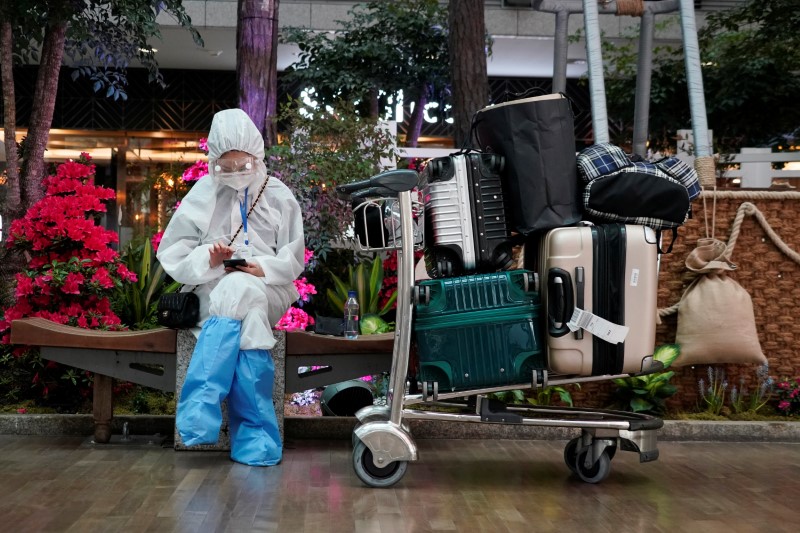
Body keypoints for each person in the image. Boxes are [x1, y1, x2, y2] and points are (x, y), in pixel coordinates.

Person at [157, 109, 305, 466]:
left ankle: (199, 408)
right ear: (214, 163)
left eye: (244, 164)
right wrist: (210, 259)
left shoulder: (278, 196)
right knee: (243, 305)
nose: (237, 173)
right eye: (227, 166)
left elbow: (294, 257)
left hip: (270, 288)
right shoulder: (203, 194)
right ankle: (256, 436)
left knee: (240, 287)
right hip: (214, 291)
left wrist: (262, 267)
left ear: (258, 155)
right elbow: (172, 252)